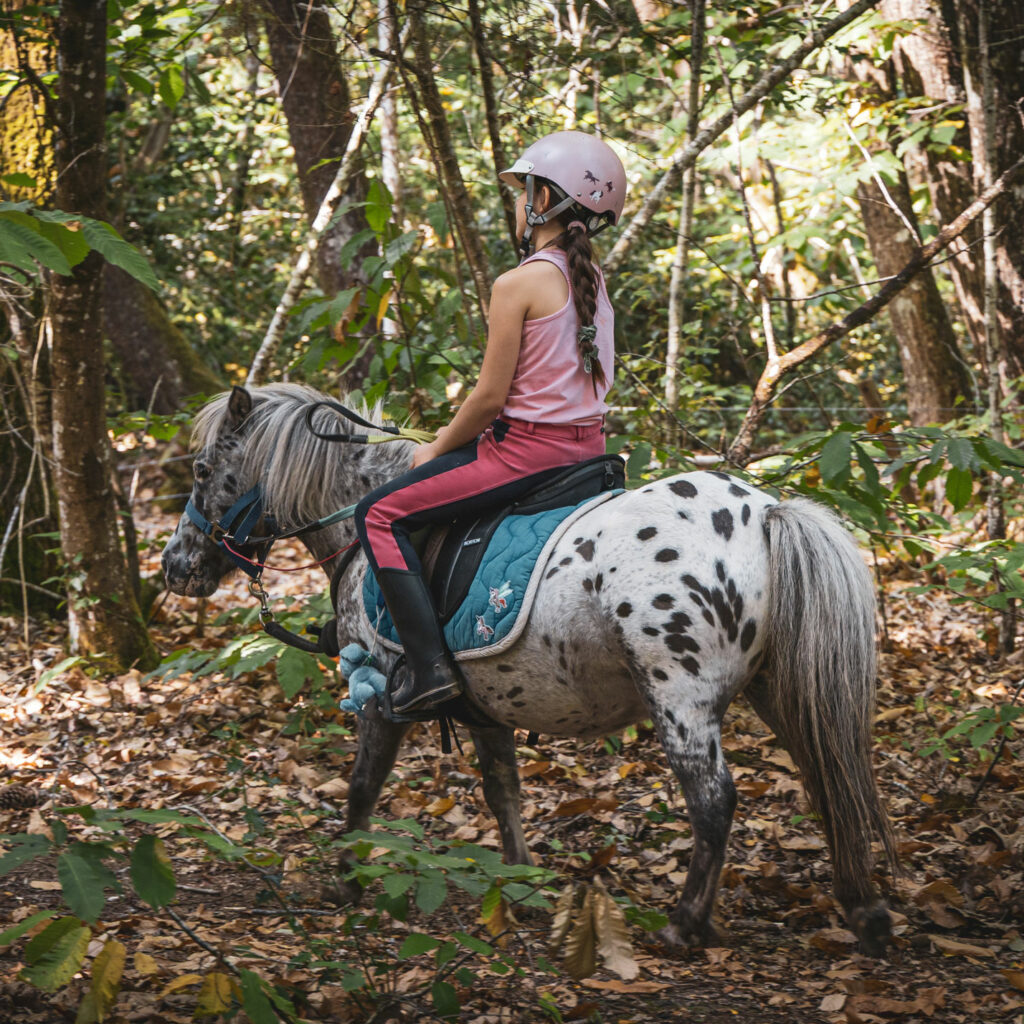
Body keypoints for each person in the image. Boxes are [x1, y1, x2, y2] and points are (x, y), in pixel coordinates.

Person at [354, 130, 626, 719]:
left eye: (524, 192)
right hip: (591, 453)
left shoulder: (518, 283)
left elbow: (486, 400)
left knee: (376, 513)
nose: (517, 204)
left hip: (527, 455)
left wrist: (434, 449)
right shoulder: (594, 283)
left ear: (543, 200)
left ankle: (428, 670)